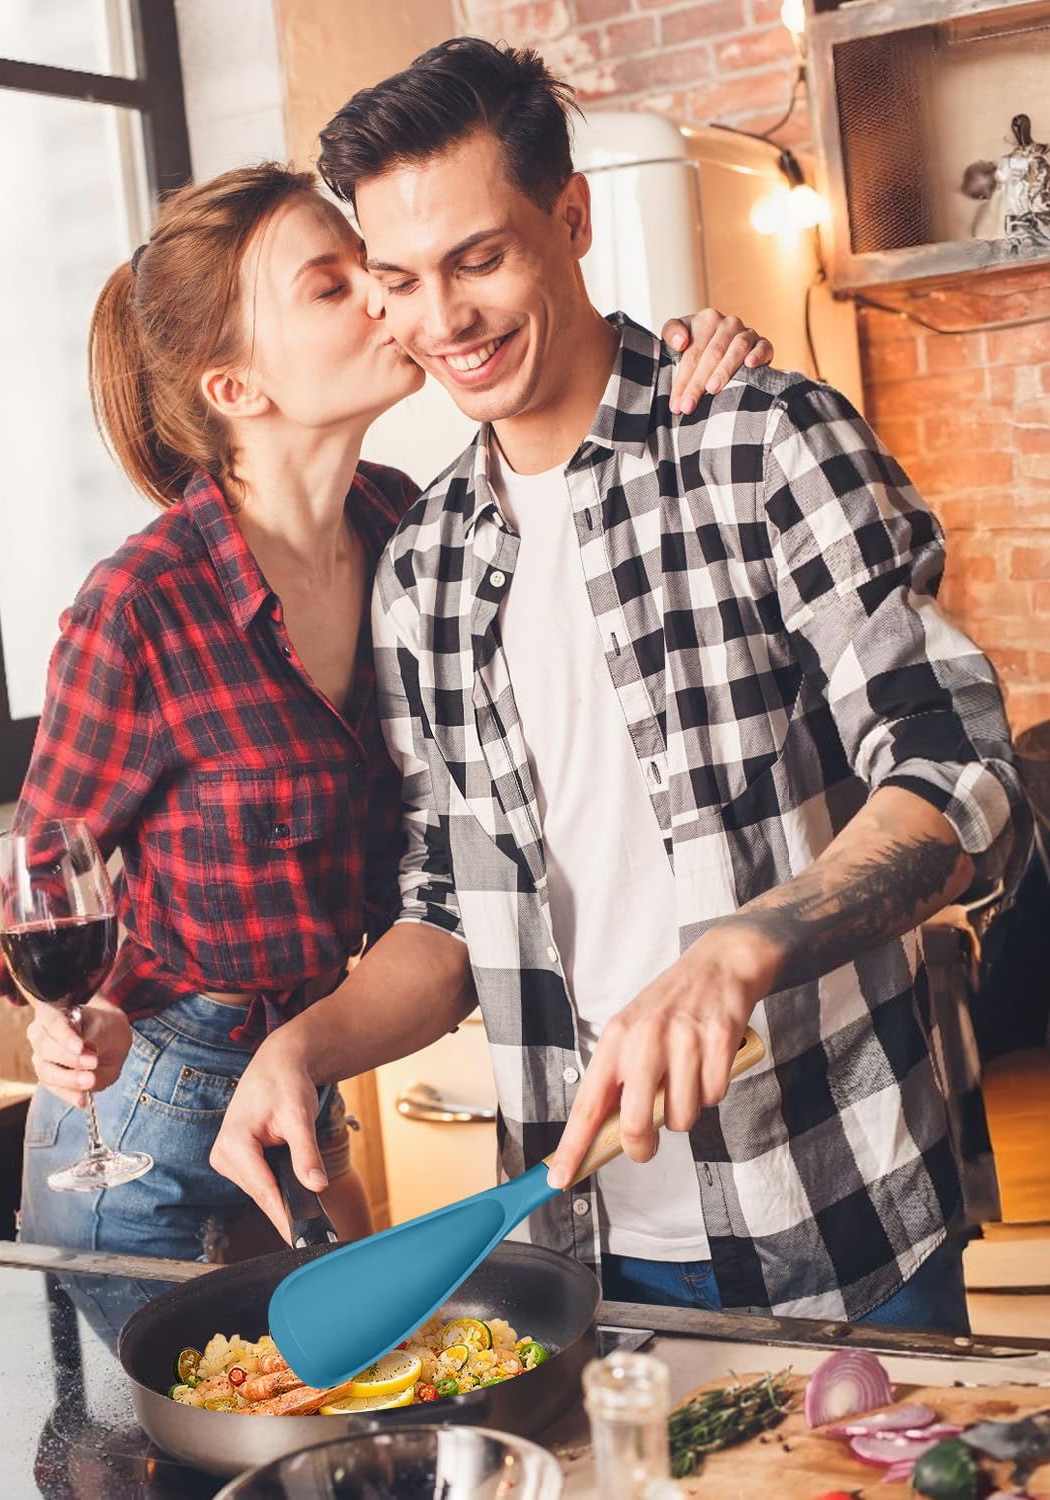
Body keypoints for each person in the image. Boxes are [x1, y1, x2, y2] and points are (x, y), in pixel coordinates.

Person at [211, 39, 1031, 1334]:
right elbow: (446, 909)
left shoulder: (762, 442)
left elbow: (960, 771)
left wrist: (742, 951)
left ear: (573, 219)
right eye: (401, 281)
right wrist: (302, 1046)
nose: (445, 319)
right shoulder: (426, 565)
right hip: (577, 1251)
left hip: (841, 1211)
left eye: (480, 258)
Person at [0, 159, 773, 1282]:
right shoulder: (144, 607)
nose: (388, 296)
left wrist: (687, 352)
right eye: (331, 286)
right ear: (237, 388)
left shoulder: (410, 531)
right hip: (146, 1120)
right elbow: (22, 896)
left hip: (306, 1073)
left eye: (369, 267)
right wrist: (77, 1015)